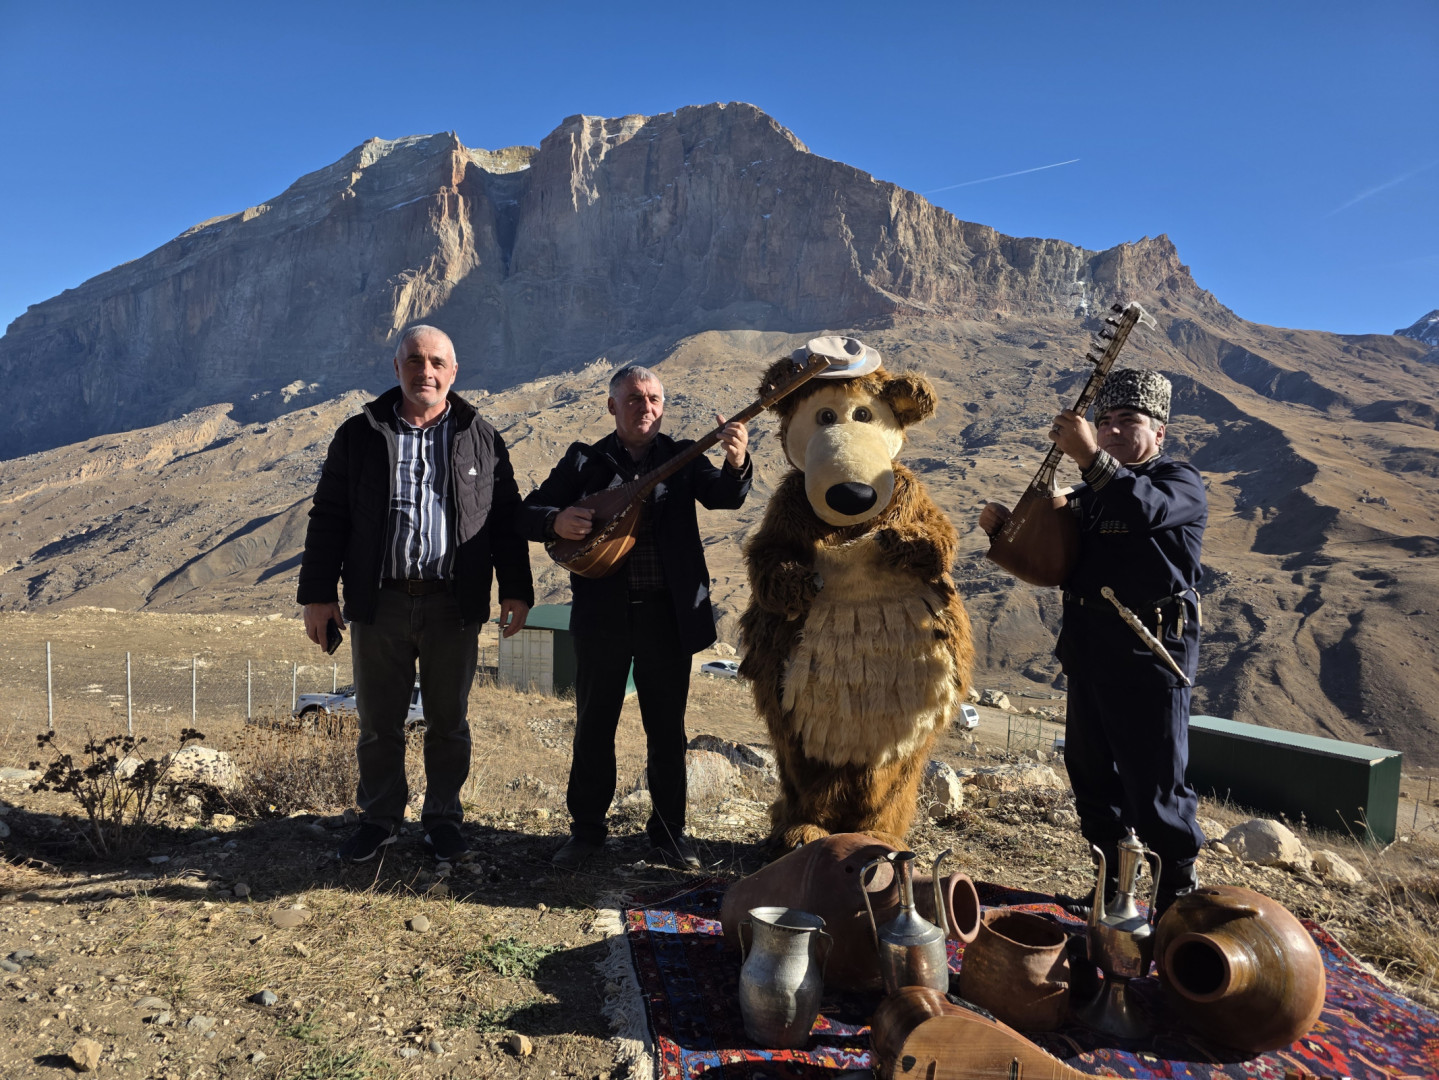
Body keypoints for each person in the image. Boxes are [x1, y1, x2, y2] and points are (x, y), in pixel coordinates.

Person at [298, 325, 533, 864]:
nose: (425, 371)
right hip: (381, 601)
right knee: (379, 722)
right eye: (414, 360)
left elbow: (505, 520)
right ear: (396, 366)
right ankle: (379, 820)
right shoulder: (360, 434)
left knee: (449, 721)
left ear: (453, 372)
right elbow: (329, 516)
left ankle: (443, 820)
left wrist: (516, 590)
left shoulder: (481, 435)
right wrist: (317, 594)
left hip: (455, 603)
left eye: (436, 363)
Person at [980, 368, 1206, 916]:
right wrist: (1006, 531)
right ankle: (1110, 887)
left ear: (1160, 433)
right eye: (1102, 422)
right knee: (1093, 780)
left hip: (1148, 654)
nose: (1109, 431)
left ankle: (1176, 893)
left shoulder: (1180, 483)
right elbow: (1052, 562)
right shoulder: (1088, 494)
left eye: (1127, 421)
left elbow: (1143, 510)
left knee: (1154, 785)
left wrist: (1088, 458)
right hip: (1088, 652)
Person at [518, 365, 751, 870]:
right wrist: (557, 520)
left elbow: (725, 496)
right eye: (632, 398)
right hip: (603, 617)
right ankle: (585, 833)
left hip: (666, 619)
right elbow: (527, 512)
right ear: (612, 406)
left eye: (652, 399)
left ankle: (669, 836)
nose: (644, 407)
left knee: (667, 730)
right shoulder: (586, 461)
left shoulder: (682, 457)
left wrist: (736, 461)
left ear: (662, 406)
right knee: (593, 725)